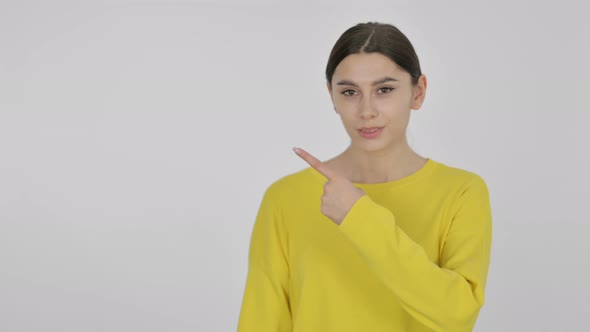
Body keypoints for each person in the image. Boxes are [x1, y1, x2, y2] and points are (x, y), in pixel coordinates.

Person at [237, 22, 492, 332]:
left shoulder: (462, 192)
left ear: (418, 92)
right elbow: (262, 321)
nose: (366, 110)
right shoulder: (284, 198)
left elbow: (456, 315)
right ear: (332, 96)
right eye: (349, 92)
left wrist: (359, 217)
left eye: (384, 90)